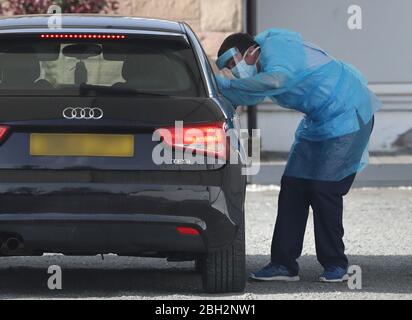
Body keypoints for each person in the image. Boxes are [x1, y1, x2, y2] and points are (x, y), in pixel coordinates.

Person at [215, 29, 382, 282]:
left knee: (323, 189)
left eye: (232, 64)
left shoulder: (277, 47)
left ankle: (336, 263)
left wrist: (227, 83)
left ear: (248, 52)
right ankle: (283, 264)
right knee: (293, 186)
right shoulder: (261, 71)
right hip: (318, 122)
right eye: (228, 69)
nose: (235, 72)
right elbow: (240, 94)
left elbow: (277, 80)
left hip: (348, 113)